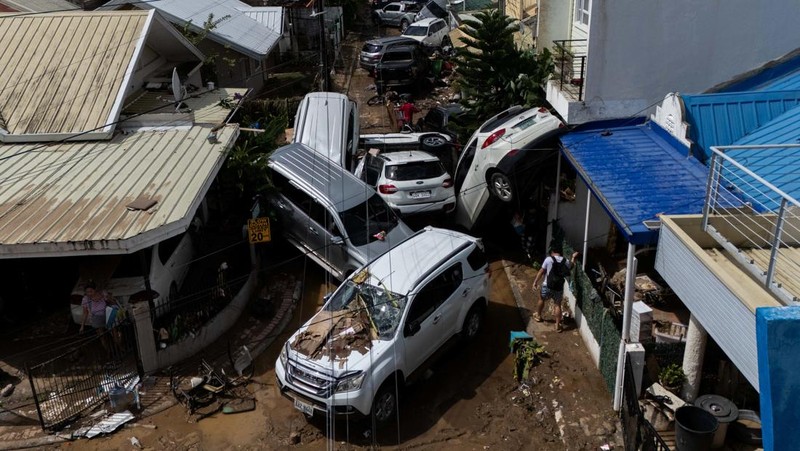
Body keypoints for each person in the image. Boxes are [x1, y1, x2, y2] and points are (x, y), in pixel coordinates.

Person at [532, 246, 578, 333]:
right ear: (561, 252)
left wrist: (535, 282)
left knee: (542, 299)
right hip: (558, 287)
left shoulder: (548, 259)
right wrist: (573, 257)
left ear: (553, 252)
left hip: (547, 285)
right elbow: (571, 266)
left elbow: (541, 271)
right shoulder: (565, 261)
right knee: (557, 305)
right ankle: (557, 325)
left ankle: (538, 315)